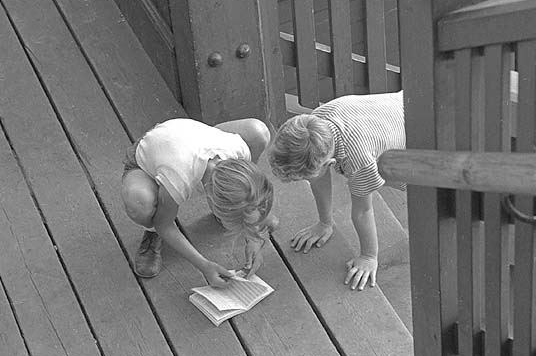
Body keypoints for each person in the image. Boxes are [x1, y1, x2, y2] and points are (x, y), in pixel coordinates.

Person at [268, 91, 404, 290]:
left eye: (305, 177)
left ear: (330, 163)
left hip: (423, 136)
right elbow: (319, 176)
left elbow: (363, 211)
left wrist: (369, 256)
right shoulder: (316, 122)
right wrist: (325, 222)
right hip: (400, 106)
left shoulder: (358, 160)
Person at [120, 117, 276, 286]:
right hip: (149, 152)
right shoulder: (179, 176)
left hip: (189, 137)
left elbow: (251, 192)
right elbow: (164, 225)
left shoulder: (239, 152)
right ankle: (151, 234)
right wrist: (205, 266)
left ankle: (241, 212)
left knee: (258, 132)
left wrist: (254, 239)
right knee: (141, 204)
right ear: (211, 198)